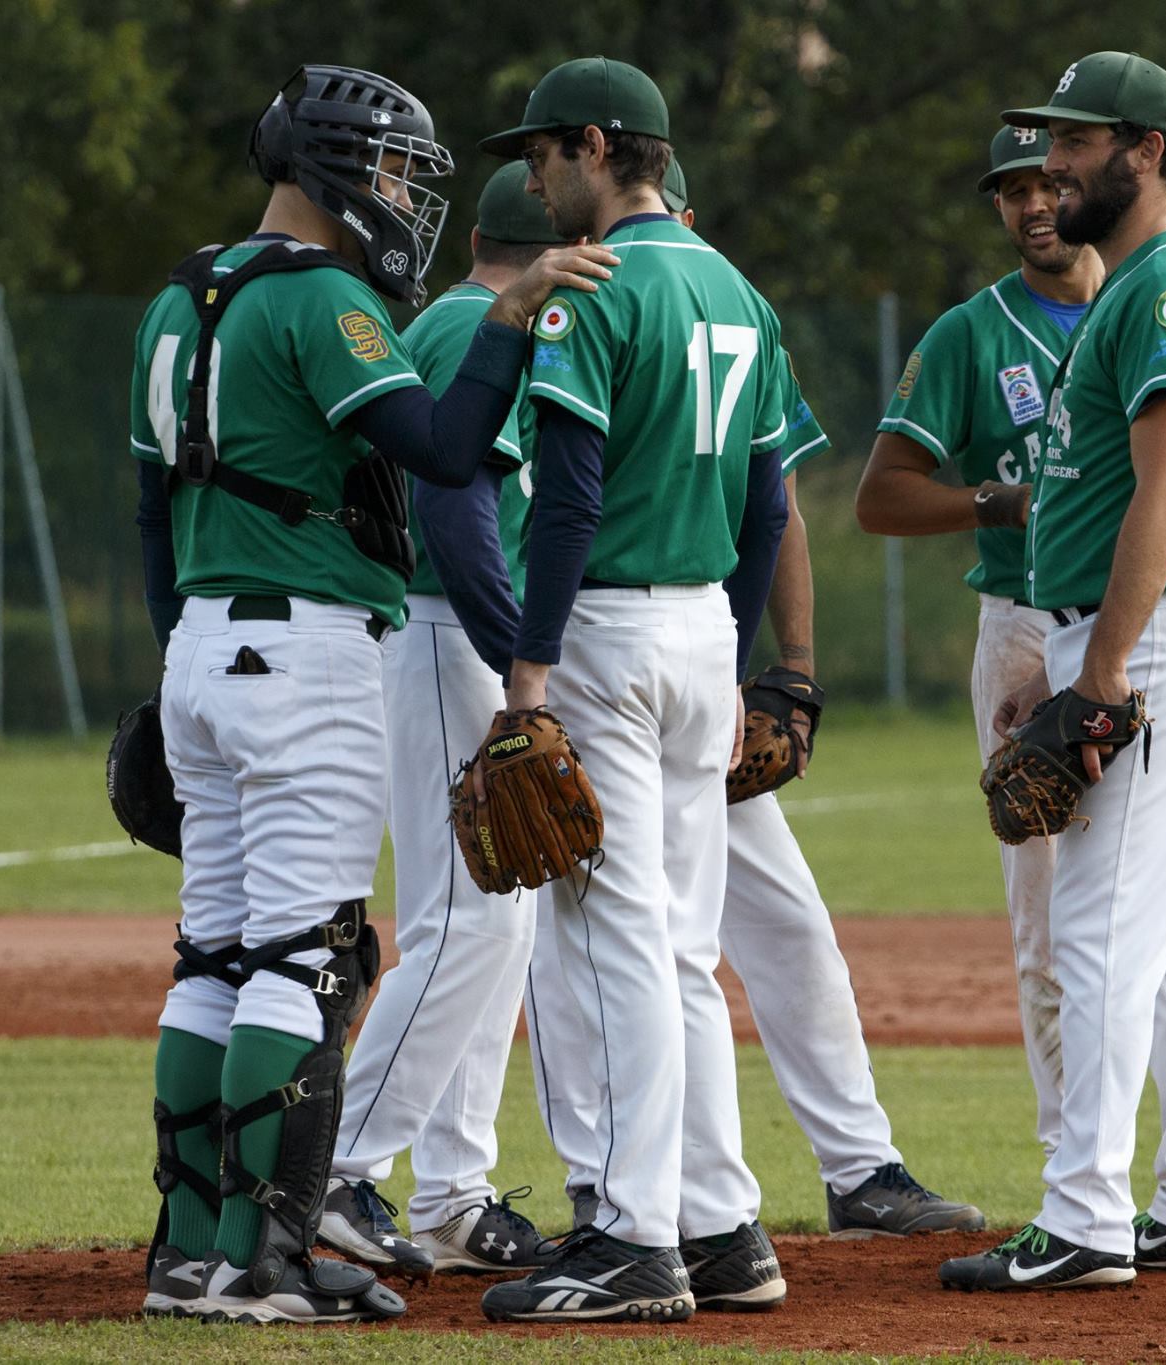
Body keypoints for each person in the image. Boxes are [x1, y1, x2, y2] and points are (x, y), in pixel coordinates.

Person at [131, 64, 613, 1324]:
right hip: (305, 652)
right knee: (310, 958)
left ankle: (189, 1255)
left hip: (200, 645)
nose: (401, 195)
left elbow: (149, 510)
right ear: (339, 165)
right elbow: (447, 452)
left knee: (216, 956)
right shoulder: (323, 296)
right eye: (394, 170)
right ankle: (268, 1261)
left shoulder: (179, 296)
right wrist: (507, 325)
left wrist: (174, 652)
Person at [856, 128, 1166, 1221]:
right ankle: (1101, 1175)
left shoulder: (1151, 296)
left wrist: (1156, 513)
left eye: (1054, 175)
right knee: (1063, 924)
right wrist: (1006, 502)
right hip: (1037, 625)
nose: (1037, 201)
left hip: (1143, 622)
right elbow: (876, 496)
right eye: (1015, 187)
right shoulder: (972, 335)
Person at [523, 159, 986, 1252]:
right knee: (620, 940)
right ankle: (639, 1195)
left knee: (682, 932)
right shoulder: (708, 298)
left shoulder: (627, 301)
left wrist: (783, 669)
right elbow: (762, 503)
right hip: (666, 651)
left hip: (643, 653)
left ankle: (805, 1183)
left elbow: (762, 503)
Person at [935, 51, 1166, 1291]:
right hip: (1141, 636)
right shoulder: (1138, 286)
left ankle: (1080, 1218)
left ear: (1144, 149)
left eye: (1074, 142)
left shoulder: (1162, 290)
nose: (1050, 163)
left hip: (1153, 641)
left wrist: (1104, 669)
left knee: (1100, 929)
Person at [470, 58, 791, 1325]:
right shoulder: (737, 291)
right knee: (680, 947)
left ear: (602, 146)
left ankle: (631, 1238)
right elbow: (769, 504)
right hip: (705, 630)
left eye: (548, 152)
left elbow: (567, 504)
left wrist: (526, 673)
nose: (538, 176)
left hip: (603, 631)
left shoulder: (590, 289)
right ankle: (722, 1229)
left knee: (610, 943)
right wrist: (737, 646)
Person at [315, 162, 570, 1280]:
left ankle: (455, 1196)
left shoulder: (453, 309)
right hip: (440, 631)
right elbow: (451, 510)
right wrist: (519, 657)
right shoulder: (485, 328)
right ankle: (335, 1168)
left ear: (476, 234)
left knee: (494, 921)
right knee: (468, 920)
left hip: (433, 633)